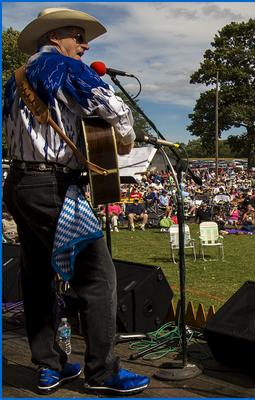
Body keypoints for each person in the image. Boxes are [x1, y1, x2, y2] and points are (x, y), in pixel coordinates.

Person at [3, 8, 150, 395]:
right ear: (55, 37)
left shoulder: (15, 80)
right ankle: (103, 372)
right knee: (98, 276)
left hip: (19, 184)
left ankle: (50, 366)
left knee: (36, 275)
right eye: (78, 36)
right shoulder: (62, 67)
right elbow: (111, 107)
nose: (85, 45)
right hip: (52, 186)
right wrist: (126, 136)